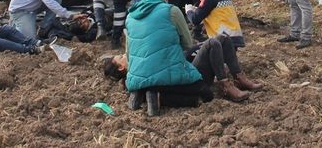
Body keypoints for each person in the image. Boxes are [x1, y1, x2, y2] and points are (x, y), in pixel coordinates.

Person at [114, 0, 212, 116]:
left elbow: (129, 52)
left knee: (154, 79)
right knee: (205, 92)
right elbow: (188, 44)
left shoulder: (130, 16)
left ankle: (141, 93)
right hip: (165, 73)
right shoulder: (171, 10)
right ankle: (159, 96)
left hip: (136, 77)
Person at [103, 33, 261, 108]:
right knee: (213, 43)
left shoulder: (140, 66)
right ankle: (226, 86)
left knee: (223, 39)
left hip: (186, 68)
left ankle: (239, 77)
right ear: (121, 67)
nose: (124, 54)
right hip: (190, 77)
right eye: (120, 57)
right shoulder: (137, 76)